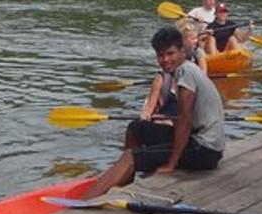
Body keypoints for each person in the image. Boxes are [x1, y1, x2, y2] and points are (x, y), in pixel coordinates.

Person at [82, 27, 225, 199]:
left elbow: (185, 123)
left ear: (182, 52)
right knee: (136, 128)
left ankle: (80, 206)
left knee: (131, 156)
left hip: (205, 150)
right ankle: (124, 179)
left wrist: (171, 164)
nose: (165, 60)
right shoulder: (184, 70)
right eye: (161, 55)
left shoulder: (186, 73)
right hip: (198, 141)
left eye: (170, 53)